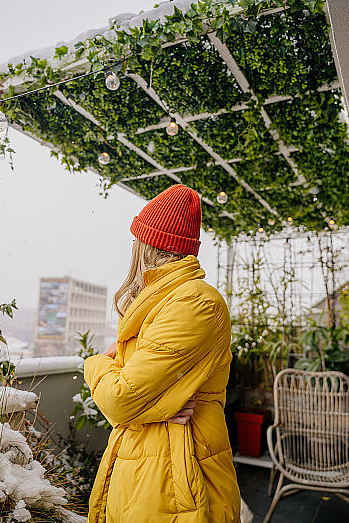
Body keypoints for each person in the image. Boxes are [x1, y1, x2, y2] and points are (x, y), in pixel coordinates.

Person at [83, 184, 240, 522]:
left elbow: (121, 398)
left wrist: (95, 363)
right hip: (152, 463)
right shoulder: (162, 299)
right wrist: (158, 406)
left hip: (176, 471)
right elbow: (135, 397)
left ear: (149, 245)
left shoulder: (193, 302)